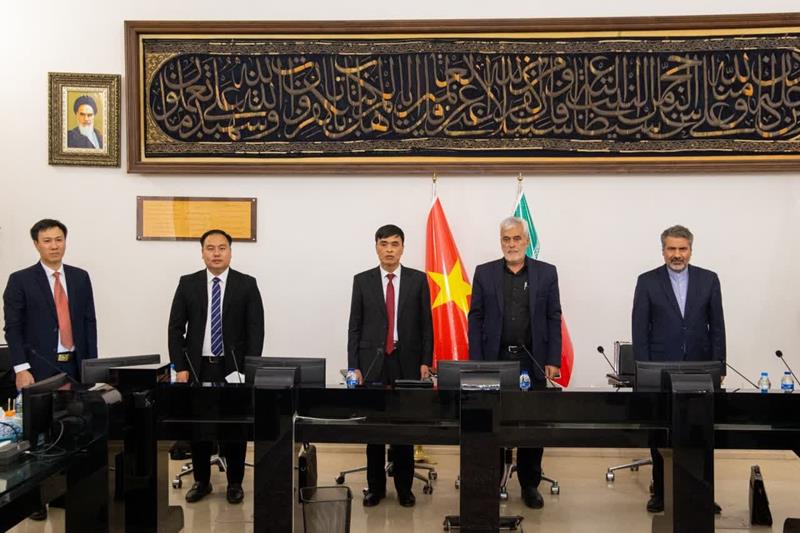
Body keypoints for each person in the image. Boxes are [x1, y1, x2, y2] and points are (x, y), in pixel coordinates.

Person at [3, 218, 98, 521]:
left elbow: (89, 322)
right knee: (37, 436)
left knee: (71, 429)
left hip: (73, 364)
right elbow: (13, 328)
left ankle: (63, 493)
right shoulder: (20, 280)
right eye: (47, 241)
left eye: (59, 239)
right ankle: (35, 500)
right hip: (38, 367)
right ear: (36, 244)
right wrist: (21, 367)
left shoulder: (80, 277)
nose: (54, 246)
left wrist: (91, 366)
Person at [468, 216, 562, 509]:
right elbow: (476, 318)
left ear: (526, 241)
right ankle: (491, 480)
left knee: (531, 425)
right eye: (506, 239)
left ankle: (529, 484)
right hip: (495, 360)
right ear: (501, 242)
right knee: (492, 422)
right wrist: (478, 362)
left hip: (531, 360)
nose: (511, 244)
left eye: (517, 238)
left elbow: (553, 317)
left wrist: (553, 359)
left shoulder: (546, 273)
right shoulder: (484, 273)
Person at [632, 224, 726, 513]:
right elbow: (640, 330)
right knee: (662, 434)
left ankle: (702, 494)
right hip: (660, 369)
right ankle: (661, 492)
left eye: (682, 249)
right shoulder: (647, 281)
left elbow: (717, 327)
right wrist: (644, 370)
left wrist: (719, 366)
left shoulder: (709, 279)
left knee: (701, 433)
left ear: (690, 250)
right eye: (671, 249)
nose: (677, 254)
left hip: (700, 367)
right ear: (663, 251)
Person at [168, 229, 264, 505]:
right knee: (198, 427)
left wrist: (249, 369)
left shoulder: (246, 284)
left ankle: (235, 483)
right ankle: (202, 481)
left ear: (230, 252)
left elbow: (255, 330)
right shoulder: (188, 283)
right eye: (210, 248)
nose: (216, 253)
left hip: (233, 367)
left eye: (222, 248)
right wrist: (180, 366)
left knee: (236, 427)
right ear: (202, 253)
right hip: (198, 367)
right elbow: (175, 329)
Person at [347, 224, 433, 508]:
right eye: (384, 244)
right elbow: (354, 327)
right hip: (372, 363)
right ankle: (375, 488)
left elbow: (426, 326)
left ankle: (404, 489)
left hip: (406, 361)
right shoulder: (362, 281)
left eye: (395, 244)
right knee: (373, 429)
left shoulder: (418, 280)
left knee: (403, 428)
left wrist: (425, 361)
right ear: (376, 247)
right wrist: (354, 366)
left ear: (402, 248)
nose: (389, 250)